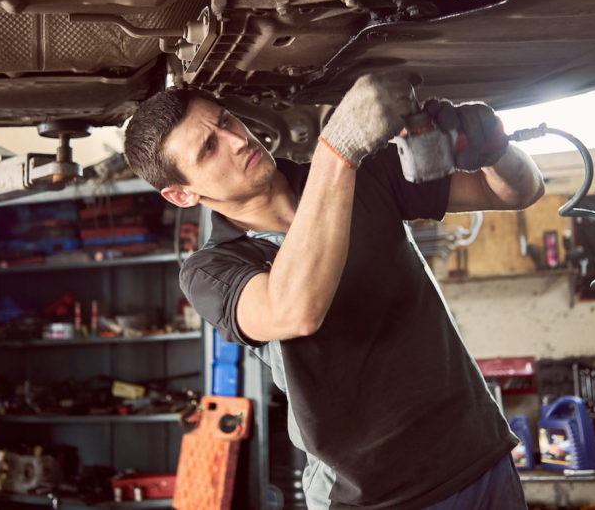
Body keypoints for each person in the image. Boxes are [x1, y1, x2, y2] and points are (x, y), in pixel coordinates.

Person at [123, 73, 544, 509]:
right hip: (374, 498)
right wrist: (336, 151)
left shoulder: (363, 176)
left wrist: (495, 150)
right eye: (208, 149)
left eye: (226, 121)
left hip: (479, 459)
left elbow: (516, 190)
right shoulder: (210, 270)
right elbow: (295, 311)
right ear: (181, 195)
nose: (236, 140)